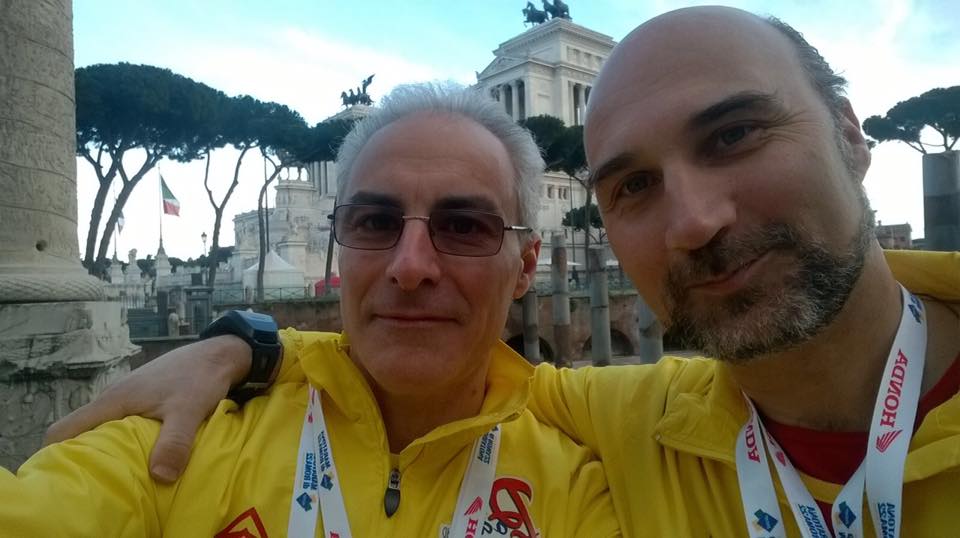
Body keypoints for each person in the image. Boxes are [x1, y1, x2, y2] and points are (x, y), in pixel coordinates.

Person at [48, 7, 960, 537]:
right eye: (633, 185)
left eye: (735, 135)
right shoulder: (634, 421)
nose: (693, 221)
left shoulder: (606, 451)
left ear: (853, 135)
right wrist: (247, 344)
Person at [3, 84, 619, 537]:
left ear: (527, 266)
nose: (410, 266)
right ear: (339, 242)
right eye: (374, 222)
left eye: (463, 226)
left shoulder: (581, 490)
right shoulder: (181, 435)